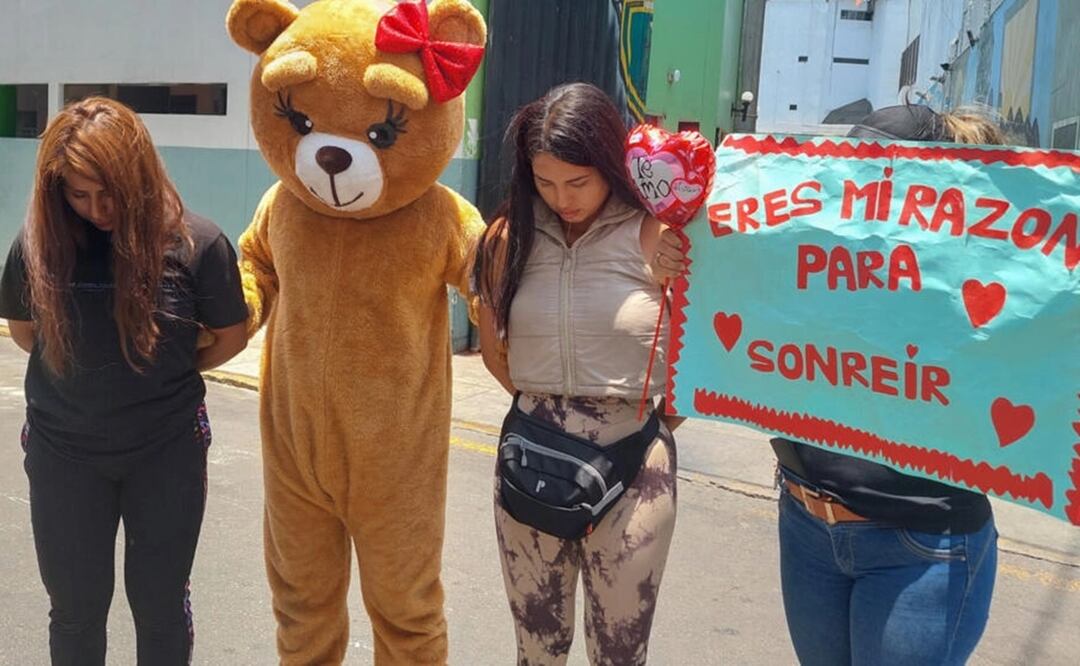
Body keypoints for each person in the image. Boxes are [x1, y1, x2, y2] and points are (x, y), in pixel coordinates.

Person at [653, 104, 1006, 666]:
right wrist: (684, 257)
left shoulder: (969, 274)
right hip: (808, 526)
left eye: (870, 173)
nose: (851, 188)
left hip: (922, 546)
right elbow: (737, 316)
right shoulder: (816, 257)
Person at [0, 97, 249, 665]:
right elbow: (26, 333)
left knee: (160, 606)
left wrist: (160, 370)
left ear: (138, 173)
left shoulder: (196, 243)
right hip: (64, 453)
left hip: (166, 453)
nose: (96, 209)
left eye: (109, 192)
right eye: (78, 195)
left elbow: (229, 337)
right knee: (74, 610)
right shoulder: (39, 245)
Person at [471, 82, 686, 665]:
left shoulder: (657, 235)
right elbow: (495, 352)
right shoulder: (508, 239)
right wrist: (549, 411)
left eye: (578, 181)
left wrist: (646, 425)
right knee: (536, 647)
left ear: (610, 164)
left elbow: (696, 357)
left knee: (620, 650)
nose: (562, 198)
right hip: (530, 458)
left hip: (633, 462)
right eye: (545, 182)